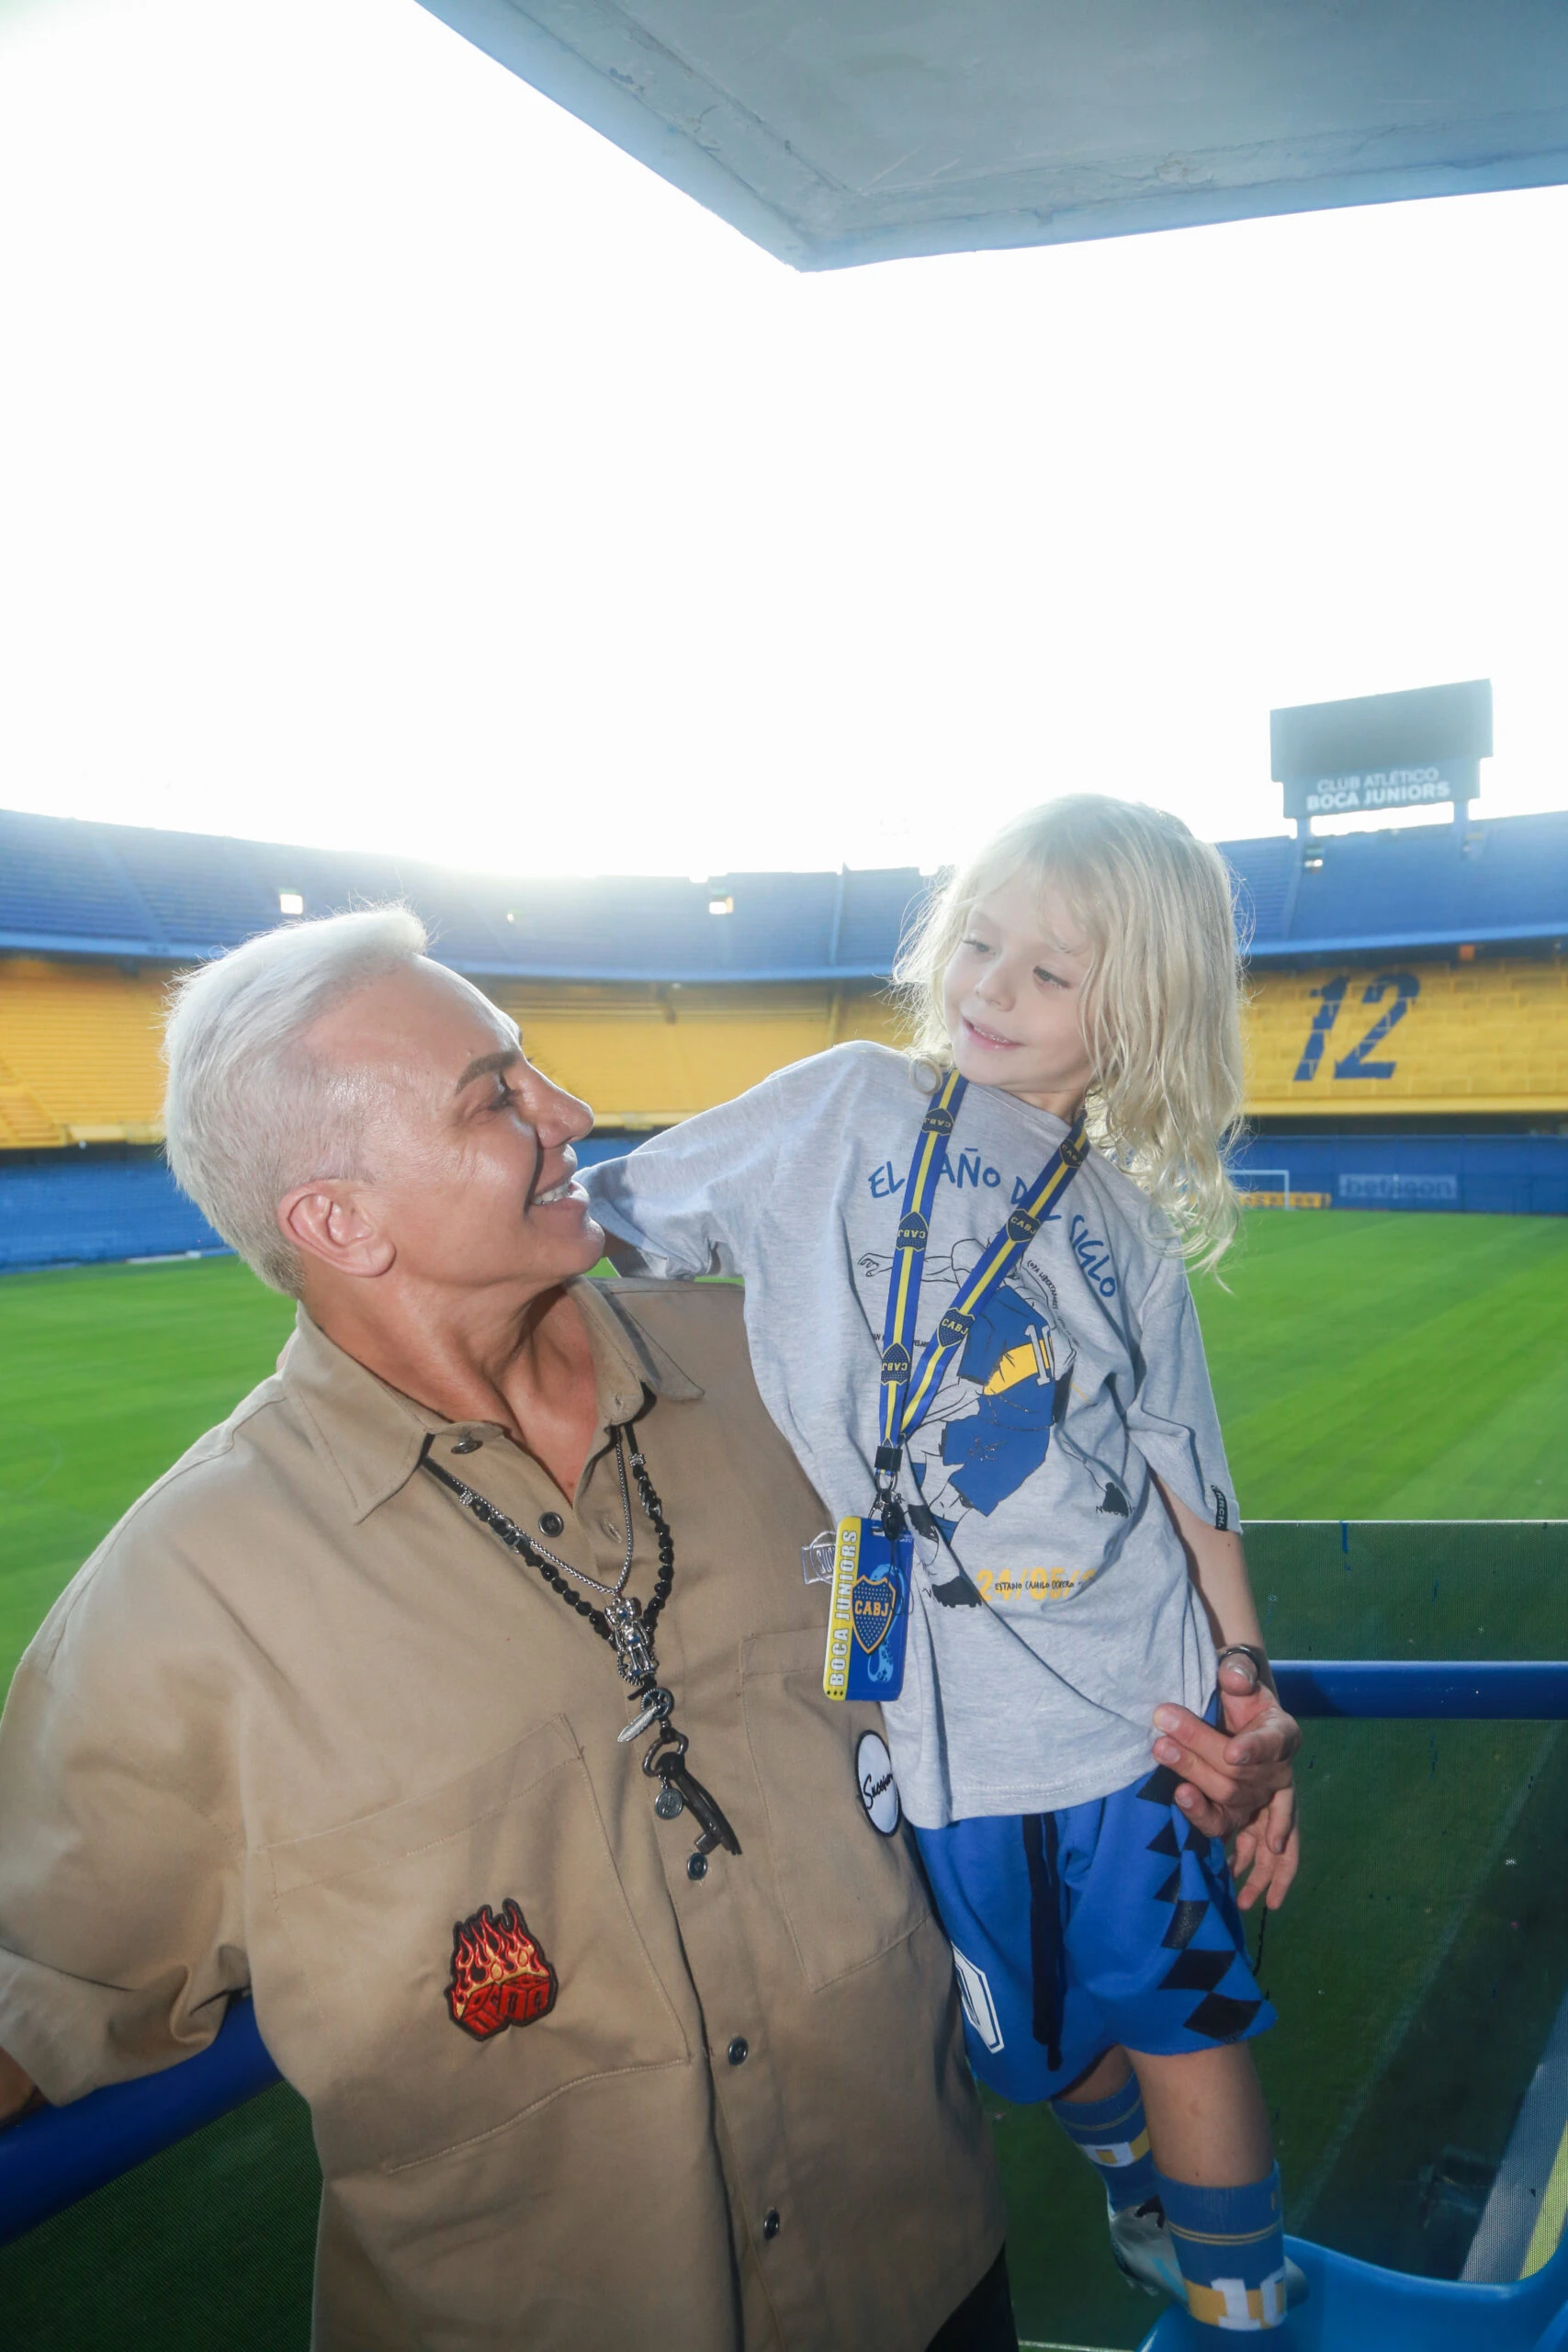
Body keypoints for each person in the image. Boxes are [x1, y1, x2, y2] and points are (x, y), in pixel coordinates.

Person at [0, 904, 1296, 2352]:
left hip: (930, 2284)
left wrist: (1228, 1715)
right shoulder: (182, 1608)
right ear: (335, 1220)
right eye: (492, 1096)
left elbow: (1049, 1589)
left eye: (530, 1067)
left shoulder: (793, 1391)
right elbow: (36, 1987)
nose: (570, 1113)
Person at [582, 796, 1303, 2340]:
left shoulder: (1120, 1224)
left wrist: (1244, 1683)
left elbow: (1190, 1476)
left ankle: (1247, 2306)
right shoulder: (838, 1105)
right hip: (922, 1722)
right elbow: (614, 1225)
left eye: (1050, 973)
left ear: (1141, 1015)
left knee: (1184, 2017)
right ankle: (1133, 2193)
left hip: (1138, 1708)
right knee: (1035, 2052)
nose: (990, 988)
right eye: (978, 943)